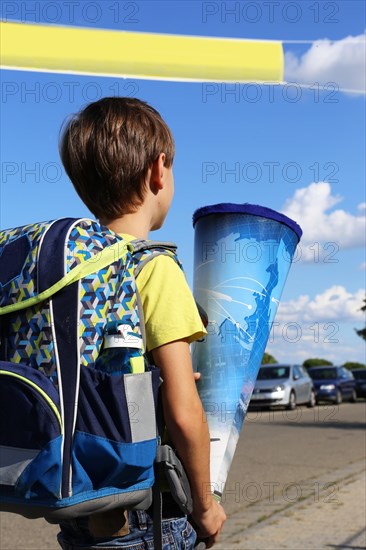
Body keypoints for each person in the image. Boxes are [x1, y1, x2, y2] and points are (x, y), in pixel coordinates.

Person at [57, 97, 227, 549]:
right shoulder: (153, 268)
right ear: (158, 170)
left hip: (76, 502)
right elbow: (183, 409)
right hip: (146, 514)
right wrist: (205, 506)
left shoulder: (74, 274)